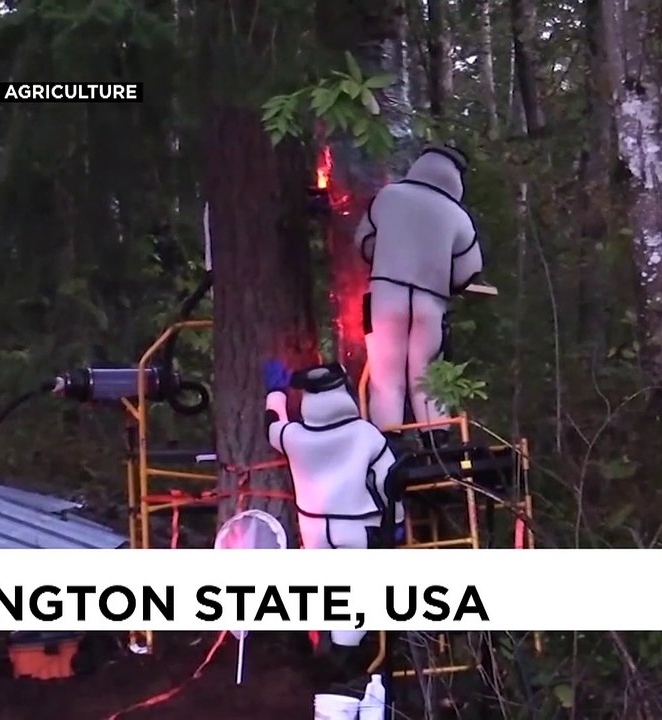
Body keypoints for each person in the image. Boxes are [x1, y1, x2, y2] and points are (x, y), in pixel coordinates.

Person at [262, 360, 399, 712]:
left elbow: (272, 426)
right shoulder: (366, 435)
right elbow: (389, 482)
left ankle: (322, 655)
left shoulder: (294, 437)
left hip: (314, 530)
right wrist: (396, 521)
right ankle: (344, 663)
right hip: (358, 526)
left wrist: (275, 393)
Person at [354, 145, 483, 451]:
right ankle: (436, 449)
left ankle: (389, 450)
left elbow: (364, 243)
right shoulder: (458, 216)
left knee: (385, 377)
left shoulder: (388, 197)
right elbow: (469, 270)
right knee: (428, 376)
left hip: (384, 299)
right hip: (430, 304)